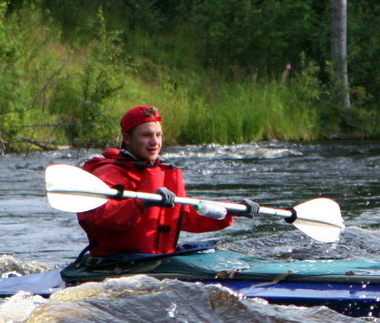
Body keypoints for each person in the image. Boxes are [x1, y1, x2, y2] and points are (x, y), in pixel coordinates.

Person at [77, 105, 258, 257]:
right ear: (127, 138)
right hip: (118, 262)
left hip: (158, 258)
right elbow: (101, 219)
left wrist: (229, 210)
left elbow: (186, 216)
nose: (154, 142)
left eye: (158, 135)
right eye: (146, 135)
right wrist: (141, 203)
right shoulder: (108, 173)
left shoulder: (162, 172)